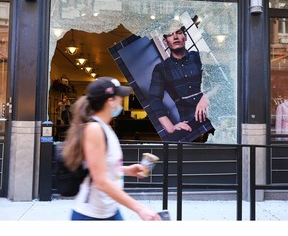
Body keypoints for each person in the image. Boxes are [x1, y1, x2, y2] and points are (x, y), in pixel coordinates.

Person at [62, 77, 161, 221]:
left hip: (109, 210)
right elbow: (100, 180)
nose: (122, 101)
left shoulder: (105, 127)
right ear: (110, 101)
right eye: (120, 97)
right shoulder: (94, 129)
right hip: (91, 216)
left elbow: (101, 166)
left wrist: (127, 170)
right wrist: (139, 208)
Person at [148, 20, 215, 141]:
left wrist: (206, 97)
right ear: (165, 41)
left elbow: (222, 82)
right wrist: (169, 127)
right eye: (170, 34)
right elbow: (154, 98)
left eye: (178, 32)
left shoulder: (201, 57)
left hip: (214, 118)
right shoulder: (161, 69)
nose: (175, 36)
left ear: (185, 37)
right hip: (189, 125)